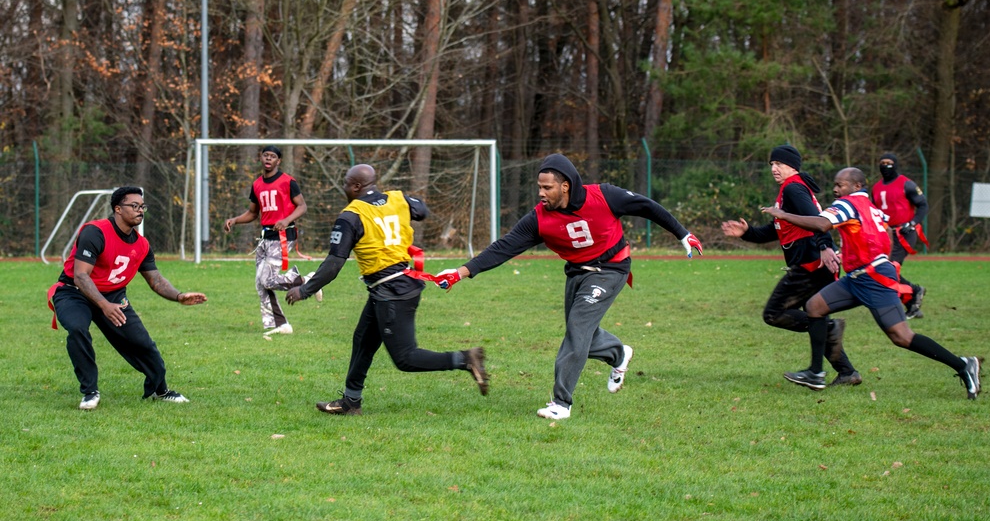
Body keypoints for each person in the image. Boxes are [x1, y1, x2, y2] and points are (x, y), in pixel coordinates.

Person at [434, 153, 704, 420]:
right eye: (539, 187)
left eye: (547, 187)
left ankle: (561, 403)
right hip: (577, 274)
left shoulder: (605, 196)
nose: (541, 193)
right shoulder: (538, 219)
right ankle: (619, 353)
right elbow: (503, 248)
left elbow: (647, 206)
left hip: (611, 269)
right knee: (585, 333)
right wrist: (461, 272)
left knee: (577, 328)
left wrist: (683, 234)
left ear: (565, 186)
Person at [285, 164, 488, 415]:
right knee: (363, 341)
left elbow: (334, 263)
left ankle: (466, 359)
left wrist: (305, 290)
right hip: (393, 286)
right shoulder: (398, 198)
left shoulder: (351, 215)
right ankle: (350, 402)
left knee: (405, 358)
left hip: (393, 293)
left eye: (347, 183)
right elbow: (422, 210)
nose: (344, 187)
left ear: (357, 186)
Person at [761, 167, 981, 399]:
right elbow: (885, 232)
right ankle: (816, 373)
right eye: (835, 184)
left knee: (901, 336)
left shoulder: (849, 204)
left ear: (857, 186)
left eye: (841, 184)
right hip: (858, 276)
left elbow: (821, 224)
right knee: (815, 306)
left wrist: (784, 215)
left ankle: (963, 365)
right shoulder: (872, 207)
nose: (836, 189)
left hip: (873, 279)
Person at [48, 187, 207, 410]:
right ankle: (90, 392)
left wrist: (179, 296)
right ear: (118, 209)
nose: (140, 210)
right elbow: (81, 276)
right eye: (134, 206)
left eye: (142, 206)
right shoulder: (96, 231)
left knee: (143, 344)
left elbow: (156, 280)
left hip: (113, 297)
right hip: (74, 292)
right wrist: (103, 305)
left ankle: (160, 390)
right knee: (77, 328)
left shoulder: (142, 244)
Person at [721, 145, 861, 387]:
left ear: (792, 166)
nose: (774, 168)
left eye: (779, 164)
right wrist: (747, 232)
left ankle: (827, 330)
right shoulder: (791, 189)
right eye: (771, 164)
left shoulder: (794, 188)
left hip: (811, 265)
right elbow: (775, 229)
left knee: (774, 313)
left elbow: (819, 222)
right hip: (815, 263)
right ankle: (847, 371)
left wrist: (825, 246)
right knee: (812, 313)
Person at [224, 145, 321, 338]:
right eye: (265, 155)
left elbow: (302, 206)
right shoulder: (257, 184)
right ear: (260, 158)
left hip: (283, 235)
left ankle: (306, 281)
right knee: (261, 283)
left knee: (266, 279)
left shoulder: (288, 182)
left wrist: (286, 220)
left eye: (273, 156)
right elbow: (253, 212)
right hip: (265, 237)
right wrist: (234, 220)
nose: (268, 159)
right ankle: (281, 324)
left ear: (278, 161)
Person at [872, 152, 929, 319]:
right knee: (882, 268)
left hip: (904, 233)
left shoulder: (906, 184)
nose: (885, 166)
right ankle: (913, 300)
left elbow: (923, 205)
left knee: (890, 268)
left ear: (895, 164)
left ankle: (910, 295)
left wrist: (911, 223)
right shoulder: (876, 187)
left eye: (889, 162)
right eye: (882, 162)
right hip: (885, 233)